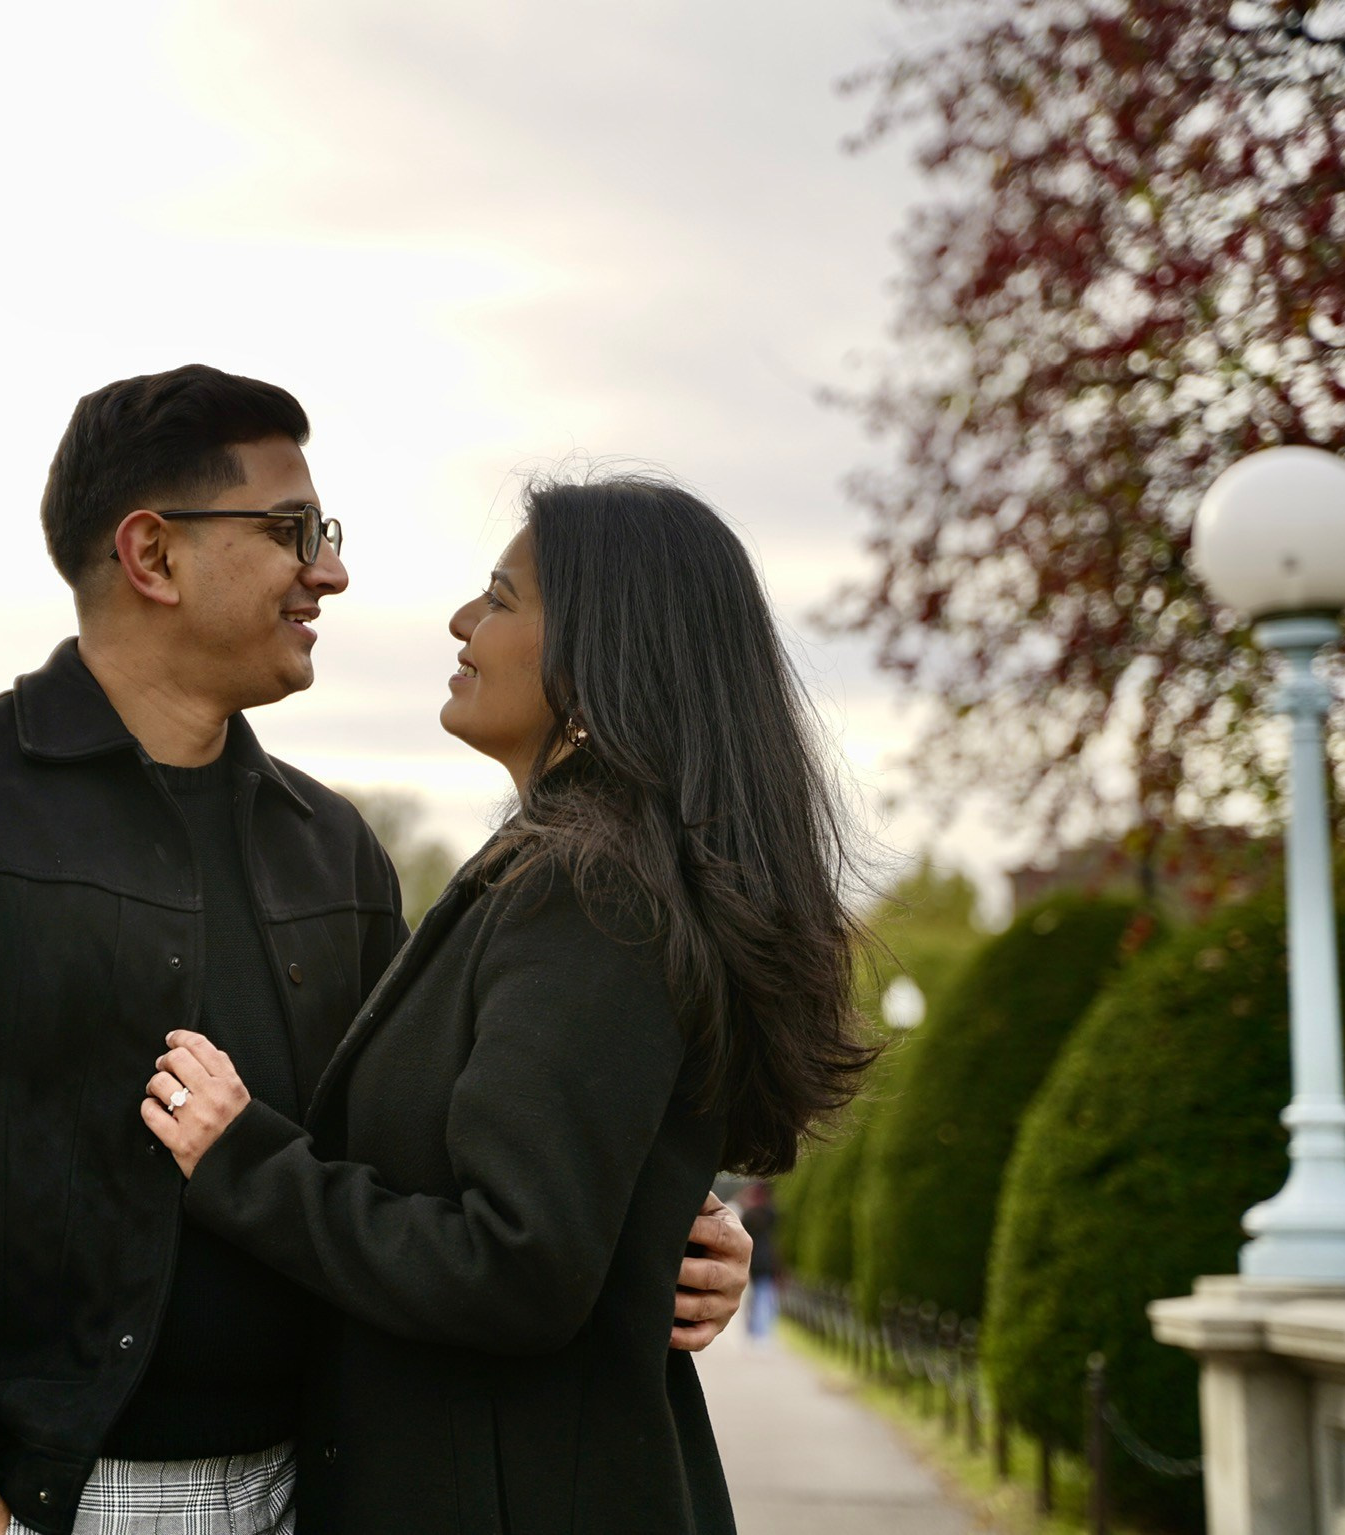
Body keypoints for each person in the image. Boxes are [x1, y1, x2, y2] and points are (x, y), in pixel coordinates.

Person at [0, 368, 755, 1535]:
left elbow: (452, 1145)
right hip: (35, 1505)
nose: (328, 571)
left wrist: (664, 1221)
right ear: (153, 555)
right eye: (293, 529)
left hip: (333, 1491)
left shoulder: (336, 848)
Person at [146, 475, 877, 1534]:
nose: (462, 621)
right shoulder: (567, 871)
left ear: (598, 651)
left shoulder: (589, 894)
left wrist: (239, 1159)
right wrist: (651, 1238)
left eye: (499, 597)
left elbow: (515, 1266)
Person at [739, 1182, 782, 1345]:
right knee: (762, 1295)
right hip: (765, 1261)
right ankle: (760, 1332)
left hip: (754, 1261)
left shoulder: (750, 1215)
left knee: (757, 1296)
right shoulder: (770, 1214)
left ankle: (756, 1330)